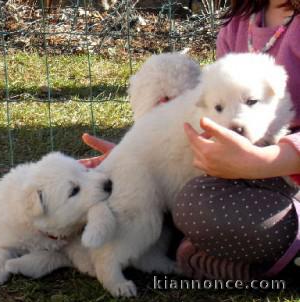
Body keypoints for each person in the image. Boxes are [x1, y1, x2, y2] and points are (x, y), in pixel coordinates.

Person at [80, 0, 300, 279]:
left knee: (222, 216)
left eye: (252, 101)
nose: (237, 120)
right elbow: (207, 110)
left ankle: (267, 245)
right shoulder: (237, 24)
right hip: (239, 176)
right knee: (194, 204)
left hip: (286, 169)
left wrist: (264, 162)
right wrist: (137, 155)